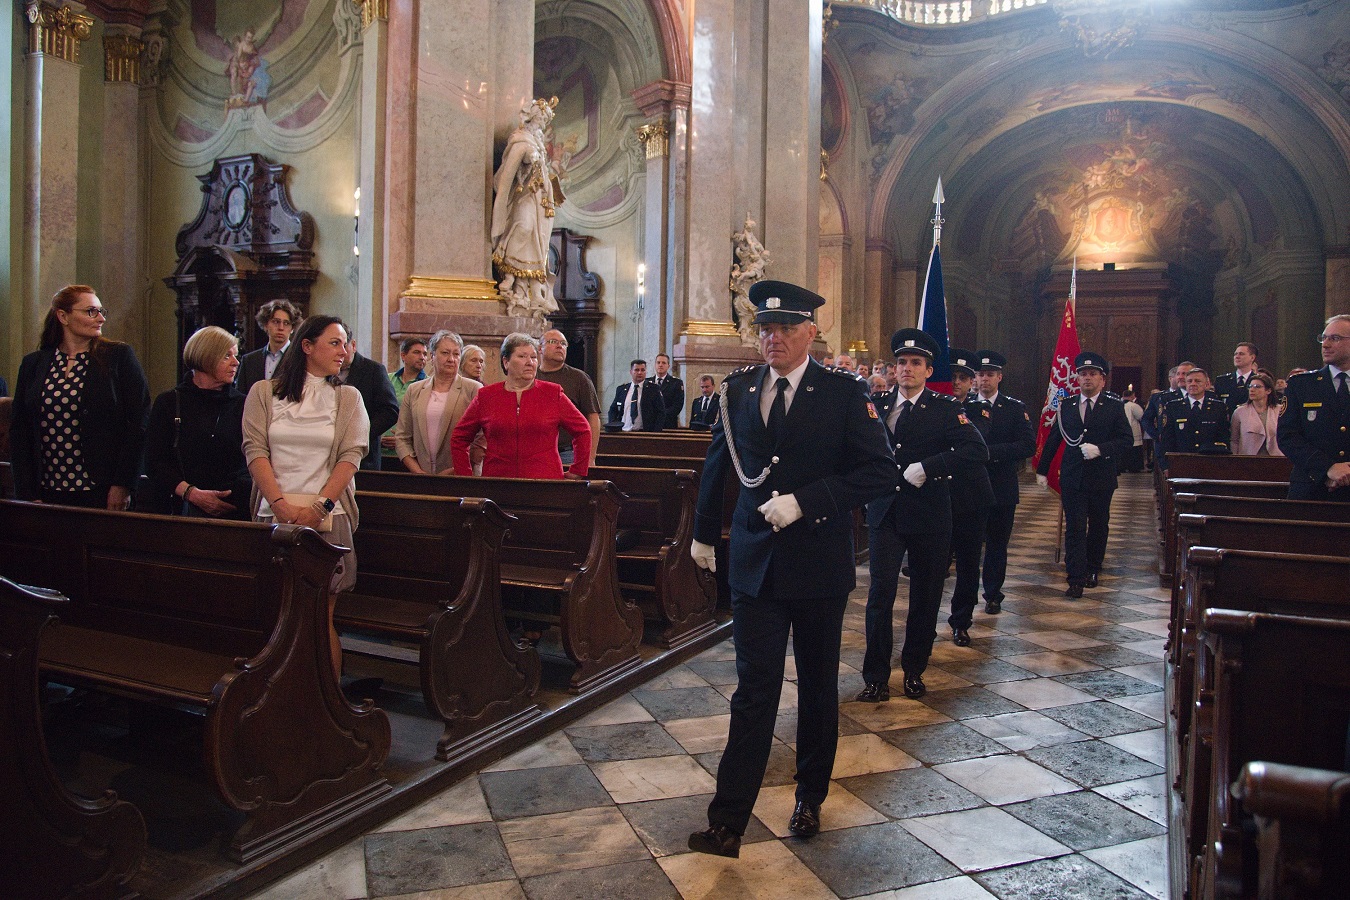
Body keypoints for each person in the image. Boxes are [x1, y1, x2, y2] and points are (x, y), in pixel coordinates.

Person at [686, 281, 893, 858]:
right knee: (754, 690)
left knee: (818, 688)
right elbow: (716, 465)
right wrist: (704, 534)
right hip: (755, 563)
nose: (771, 338)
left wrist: (807, 501)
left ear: (810, 333)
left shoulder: (844, 394)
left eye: (783, 329)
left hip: (818, 564)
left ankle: (809, 795)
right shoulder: (737, 389)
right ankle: (728, 820)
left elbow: (881, 473)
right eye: (763, 328)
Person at [858, 329, 987, 703]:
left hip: (929, 512)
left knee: (925, 595)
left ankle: (914, 669)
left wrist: (930, 467)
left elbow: (975, 450)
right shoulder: (876, 405)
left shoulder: (946, 408)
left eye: (916, 363)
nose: (907, 369)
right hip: (886, 512)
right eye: (901, 362)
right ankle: (876, 676)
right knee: (880, 596)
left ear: (929, 370)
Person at [242, 315, 369, 679]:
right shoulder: (264, 393)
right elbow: (256, 451)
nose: (343, 351)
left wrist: (318, 507)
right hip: (273, 514)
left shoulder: (348, 397)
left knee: (320, 617)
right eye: (334, 342)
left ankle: (325, 707)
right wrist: (280, 506)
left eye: (345, 344)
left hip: (330, 516)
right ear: (307, 346)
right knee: (277, 616)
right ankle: (276, 699)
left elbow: (350, 457)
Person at [11, 284, 150, 509]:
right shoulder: (33, 364)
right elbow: (20, 429)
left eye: (101, 311)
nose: (100, 319)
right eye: (90, 311)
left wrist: (123, 484)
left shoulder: (118, 357)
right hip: (47, 490)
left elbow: (139, 422)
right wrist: (26, 491)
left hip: (100, 489)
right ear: (63, 316)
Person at [1036, 351, 1134, 598]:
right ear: (1077, 378)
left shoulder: (1114, 406)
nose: (1087, 378)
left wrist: (1101, 449)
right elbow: (1054, 439)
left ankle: (1093, 567)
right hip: (1073, 476)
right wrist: (1042, 469)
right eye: (1082, 374)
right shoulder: (1067, 405)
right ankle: (1075, 577)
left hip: (1101, 476)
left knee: (1099, 524)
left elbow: (1126, 440)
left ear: (1102, 379)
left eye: (1092, 374)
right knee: (1075, 527)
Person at [141, 326, 251, 520]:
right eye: (227, 356)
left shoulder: (244, 403)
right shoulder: (169, 402)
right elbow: (154, 461)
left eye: (236, 355)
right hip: (179, 510)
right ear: (205, 358)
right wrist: (191, 493)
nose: (236, 363)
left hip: (234, 512)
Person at [451, 333, 591, 479]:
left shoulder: (552, 393)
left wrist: (578, 470)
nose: (530, 362)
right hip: (497, 482)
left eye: (534, 357)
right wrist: (464, 477)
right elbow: (459, 438)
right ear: (506, 362)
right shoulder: (486, 396)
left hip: (545, 483)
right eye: (522, 356)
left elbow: (583, 431)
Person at [972, 350, 1036, 614]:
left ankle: (993, 593)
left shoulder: (1013, 408)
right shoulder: (964, 406)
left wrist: (991, 453)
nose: (984, 379)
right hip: (972, 486)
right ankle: (966, 596)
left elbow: (1027, 445)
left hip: (1001, 485)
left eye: (989, 374)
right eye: (980, 374)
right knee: (971, 544)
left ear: (1000, 377)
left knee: (997, 543)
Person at [491, 98, 560, 320]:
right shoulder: (520, 142)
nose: (541, 124)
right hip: (523, 197)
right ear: (530, 117)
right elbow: (505, 178)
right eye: (540, 119)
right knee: (522, 227)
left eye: (544, 121)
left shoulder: (537, 143)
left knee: (537, 239)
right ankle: (510, 275)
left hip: (540, 201)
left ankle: (527, 286)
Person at [946, 350, 995, 647]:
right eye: (951, 376)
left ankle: (961, 621)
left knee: (967, 563)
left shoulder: (979, 411)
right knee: (933, 566)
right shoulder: (932, 407)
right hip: (937, 496)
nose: (956, 382)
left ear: (972, 382)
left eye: (963, 378)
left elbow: (975, 445)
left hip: (970, 497)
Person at [1277, 314, 1350, 501]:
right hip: (1311, 489)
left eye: (1335, 338)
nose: (1325, 344)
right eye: (1323, 338)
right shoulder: (1301, 385)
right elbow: (1287, 437)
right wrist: (1328, 468)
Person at [394, 330, 482, 475]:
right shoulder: (414, 390)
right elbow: (402, 437)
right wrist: (417, 471)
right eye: (445, 353)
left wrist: (457, 469)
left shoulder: (474, 389)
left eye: (456, 354)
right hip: (421, 475)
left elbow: (481, 439)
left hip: (462, 474)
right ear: (432, 356)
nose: (451, 359)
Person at [537, 329, 601, 467]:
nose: (560, 346)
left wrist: (590, 458)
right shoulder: (531, 376)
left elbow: (593, 417)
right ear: (539, 348)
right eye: (553, 342)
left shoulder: (579, 378)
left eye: (563, 343)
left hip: (568, 453)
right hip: (536, 452)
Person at [337, 335, 400, 470]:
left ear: (353, 345)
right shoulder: (324, 370)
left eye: (344, 346)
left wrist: (360, 435)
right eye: (335, 345)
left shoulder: (374, 370)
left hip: (365, 458)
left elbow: (390, 410)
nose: (340, 351)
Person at [1159, 367, 1231, 465]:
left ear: (1206, 384)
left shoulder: (1218, 407)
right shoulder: (1173, 407)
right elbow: (1167, 439)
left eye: (1197, 381)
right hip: (1182, 461)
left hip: (1210, 461)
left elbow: (1223, 437)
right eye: (1189, 381)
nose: (1193, 383)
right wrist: (1166, 465)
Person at [237, 299, 302, 396]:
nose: (281, 328)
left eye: (286, 323)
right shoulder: (249, 360)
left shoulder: (300, 358)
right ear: (266, 325)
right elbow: (240, 397)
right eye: (276, 322)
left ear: (292, 329)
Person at [381, 337, 428, 462]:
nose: (422, 357)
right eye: (417, 352)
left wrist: (403, 440)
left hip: (410, 453)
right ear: (403, 355)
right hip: (381, 450)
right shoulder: (387, 379)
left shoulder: (428, 384)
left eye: (425, 354)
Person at [1230, 371, 1281, 456]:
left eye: (1257, 387)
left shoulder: (1279, 410)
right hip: (1248, 460)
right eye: (1250, 386)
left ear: (1268, 390)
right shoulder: (1240, 412)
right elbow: (1234, 440)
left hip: (1275, 459)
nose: (1252, 390)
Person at [607, 359, 665, 432]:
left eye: (642, 370)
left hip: (645, 433)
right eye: (636, 370)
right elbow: (613, 410)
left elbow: (661, 412)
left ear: (646, 372)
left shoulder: (653, 389)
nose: (640, 372)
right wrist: (613, 426)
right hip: (624, 431)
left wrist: (656, 432)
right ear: (631, 372)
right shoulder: (621, 389)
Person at [1213, 341, 1260, 411]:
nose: (1237, 357)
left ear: (1252, 357)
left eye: (1241, 354)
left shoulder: (1259, 381)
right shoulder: (1222, 380)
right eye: (1235, 354)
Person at [650, 353, 685, 429]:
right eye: (658, 362)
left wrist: (660, 415)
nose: (660, 365)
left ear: (668, 366)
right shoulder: (648, 382)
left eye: (663, 363)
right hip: (650, 424)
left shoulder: (676, 383)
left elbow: (677, 406)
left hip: (668, 424)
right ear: (655, 365)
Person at [1121, 389, 1146, 472]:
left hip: (1121, 431)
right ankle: (1134, 467)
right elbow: (1141, 416)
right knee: (1134, 450)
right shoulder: (1133, 406)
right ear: (1132, 396)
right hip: (1133, 430)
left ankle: (1123, 467)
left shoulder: (1117, 404)